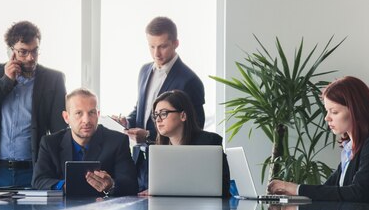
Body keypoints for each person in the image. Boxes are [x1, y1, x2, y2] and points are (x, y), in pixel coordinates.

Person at [0, 21, 67, 190]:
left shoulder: (53, 79)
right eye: (23, 52)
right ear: (10, 52)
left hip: (33, 171)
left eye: (35, 51)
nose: (30, 57)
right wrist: (6, 82)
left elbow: (59, 129)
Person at [267, 76, 369, 204]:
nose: (327, 118)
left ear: (356, 111)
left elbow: (358, 193)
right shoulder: (350, 149)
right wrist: (291, 198)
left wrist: (296, 189)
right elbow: (328, 192)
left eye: (334, 112)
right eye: (327, 111)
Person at [112, 16, 206, 188]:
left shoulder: (190, 81)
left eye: (162, 46)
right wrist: (126, 122)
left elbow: (195, 129)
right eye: (152, 46)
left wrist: (148, 135)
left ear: (176, 43)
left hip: (170, 165)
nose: (156, 53)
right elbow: (141, 108)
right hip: (140, 163)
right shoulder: (144, 71)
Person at [32, 88, 138, 196]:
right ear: (66, 117)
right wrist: (65, 185)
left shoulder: (117, 141)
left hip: (103, 209)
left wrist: (111, 185)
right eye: (79, 113)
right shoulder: (50, 143)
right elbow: (38, 181)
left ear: (98, 114)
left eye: (92, 113)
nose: (86, 120)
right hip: (62, 209)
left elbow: (131, 184)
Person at [138, 89, 230, 197]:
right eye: (155, 115)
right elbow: (146, 185)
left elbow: (222, 187)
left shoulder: (209, 142)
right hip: (166, 208)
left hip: (204, 208)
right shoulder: (157, 151)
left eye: (163, 113)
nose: (158, 120)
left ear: (183, 115)